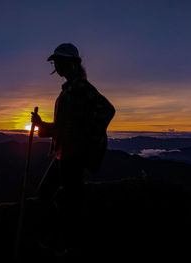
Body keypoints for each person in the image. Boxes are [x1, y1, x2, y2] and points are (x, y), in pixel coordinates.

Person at [31, 43, 115, 256]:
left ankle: (71, 247)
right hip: (64, 153)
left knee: (69, 201)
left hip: (72, 155)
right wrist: (42, 125)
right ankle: (64, 241)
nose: (57, 65)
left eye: (60, 61)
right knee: (53, 195)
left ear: (73, 63)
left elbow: (107, 109)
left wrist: (88, 139)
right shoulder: (69, 89)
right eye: (55, 62)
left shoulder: (80, 87)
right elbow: (63, 127)